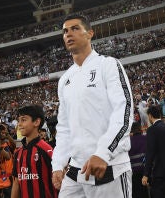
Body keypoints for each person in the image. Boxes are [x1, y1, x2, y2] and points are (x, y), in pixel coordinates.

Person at [52, 14, 133, 197]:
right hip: (75, 170)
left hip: (109, 165)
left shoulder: (108, 65)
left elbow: (124, 110)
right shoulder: (65, 79)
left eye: (75, 29)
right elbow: (64, 127)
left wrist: (104, 152)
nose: (69, 34)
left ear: (89, 33)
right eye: (65, 31)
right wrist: (58, 163)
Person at [11, 105, 57, 198]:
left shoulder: (47, 150)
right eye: (19, 120)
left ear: (36, 122)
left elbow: (59, 181)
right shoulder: (18, 153)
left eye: (23, 120)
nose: (19, 124)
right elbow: (16, 184)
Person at [128, 122, 148, 198]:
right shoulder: (145, 138)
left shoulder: (129, 141)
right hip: (144, 170)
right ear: (140, 129)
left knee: (136, 191)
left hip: (133, 171)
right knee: (144, 191)